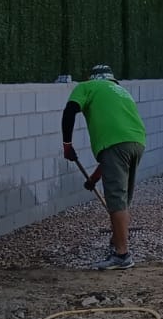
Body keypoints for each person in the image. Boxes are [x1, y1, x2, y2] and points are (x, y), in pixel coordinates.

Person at [62, 65, 147, 271]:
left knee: (116, 200)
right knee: (123, 198)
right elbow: (114, 153)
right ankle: (117, 241)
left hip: (115, 145)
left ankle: (122, 255)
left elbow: (70, 111)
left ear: (92, 77)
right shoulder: (121, 92)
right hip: (137, 143)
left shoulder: (87, 86)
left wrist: (67, 145)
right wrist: (94, 178)